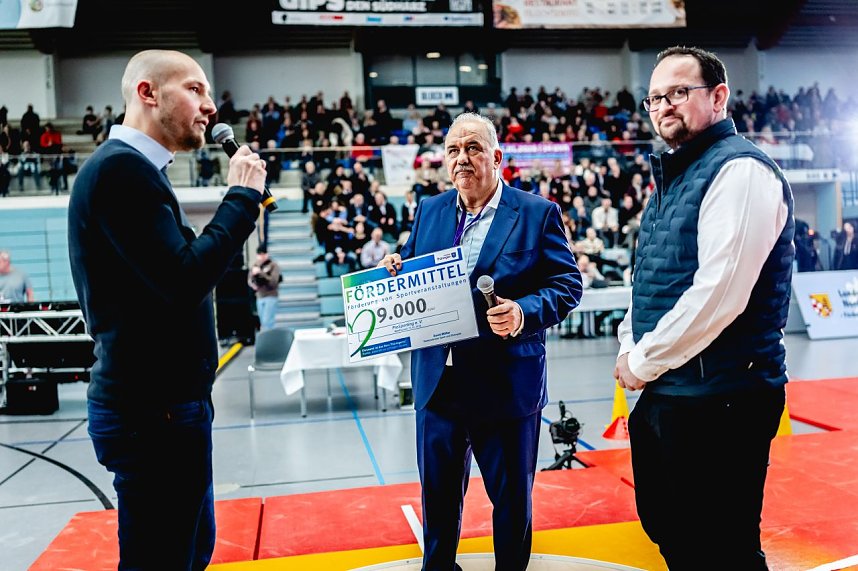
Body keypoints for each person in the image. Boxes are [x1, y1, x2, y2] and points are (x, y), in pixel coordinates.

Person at [67, 49, 266, 570]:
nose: (210, 107)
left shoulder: (135, 173)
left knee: (187, 551)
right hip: (150, 414)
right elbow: (184, 279)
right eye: (195, 89)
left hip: (165, 408)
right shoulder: (119, 173)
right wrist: (242, 198)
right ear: (147, 94)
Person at [613, 46, 794, 570]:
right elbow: (647, 284)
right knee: (676, 535)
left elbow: (719, 295)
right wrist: (631, 344)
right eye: (654, 98)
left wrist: (642, 361)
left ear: (718, 97)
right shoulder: (673, 179)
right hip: (673, 391)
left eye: (677, 93)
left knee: (722, 549)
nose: (664, 105)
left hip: (722, 398)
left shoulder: (740, 172)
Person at [378, 112, 581, 570]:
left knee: (511, 505)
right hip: (438, 383)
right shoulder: (429, 210)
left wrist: (524, 311)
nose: (462, 159)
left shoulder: (536, 213)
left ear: (497, 157)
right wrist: (397, 268)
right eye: (453, 150)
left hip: (505, 386)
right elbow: (415, 269)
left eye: (472, 148)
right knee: (438, 499)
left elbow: (567, 284)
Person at [248, 245, 281, 331]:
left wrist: (261, 274)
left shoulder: (273, 265)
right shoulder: (255, 266)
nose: (262, 256)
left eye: (264, 254)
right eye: (260, 254)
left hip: (270, 296)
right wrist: (254, 281)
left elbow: (273, 282)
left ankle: (270, 341)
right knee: (263, 323)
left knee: (268, 322)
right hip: (260, 296)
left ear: (267, 254)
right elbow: (249, 281)